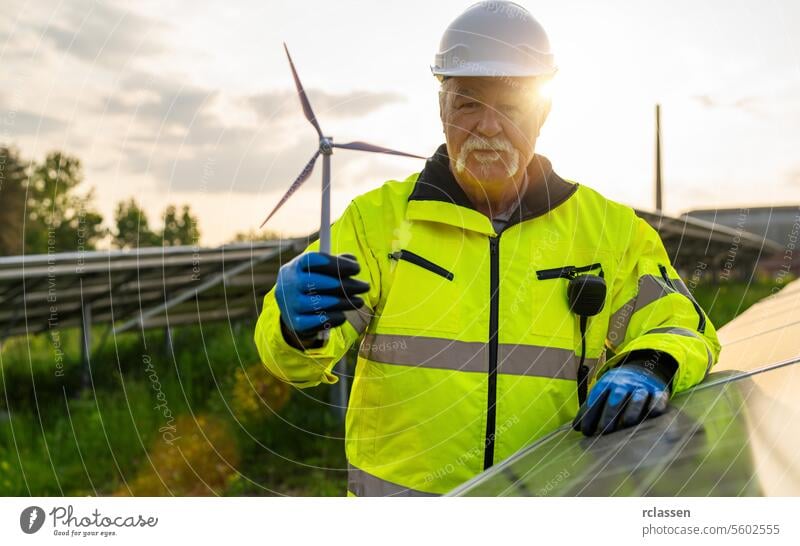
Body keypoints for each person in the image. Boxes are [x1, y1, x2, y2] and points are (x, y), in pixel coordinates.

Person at [254, 1, 721, 496]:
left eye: (511, 106)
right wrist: (293, 328)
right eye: (468, 103)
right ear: (441, 109)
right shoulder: (376, 222)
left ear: (543, 112)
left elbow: (682, 324)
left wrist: (649, 363)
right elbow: (297, 366)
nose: (488, 127)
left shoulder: (610, 229)